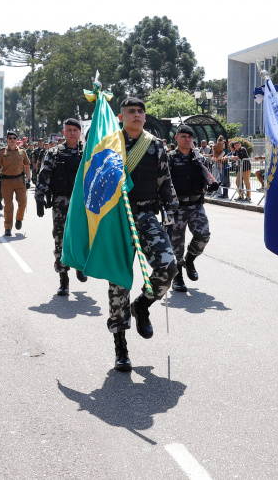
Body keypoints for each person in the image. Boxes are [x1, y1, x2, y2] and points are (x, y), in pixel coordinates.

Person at [107, 96, 178, 372]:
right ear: (122, 116)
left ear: (145, 117)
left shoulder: (156, 146)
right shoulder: (110, 143)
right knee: (118, 283)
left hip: (147, 215)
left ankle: (142, 305)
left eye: (140, 112)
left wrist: (171, 213)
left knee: (168, 266)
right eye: (131, 111)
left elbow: (165, 182)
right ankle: (120, 346)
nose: (136, 115)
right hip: (118, 219)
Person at [35, 118, 86, 296]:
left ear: (80, 132)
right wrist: (39, 196)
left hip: (82, 203)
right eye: (69, 129)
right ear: (63, 132)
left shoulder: (87, 153)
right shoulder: (55, 153)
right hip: (61, 202)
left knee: (82, 237)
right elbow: (45, 173)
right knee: (60, 238)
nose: (72, 132)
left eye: (75, 130)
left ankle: (80, 265)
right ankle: (63, 278)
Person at [167, 124, 217, 293]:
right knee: (176, 245)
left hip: (196, 205)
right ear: (176, 138)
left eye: (189, 137)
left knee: (203, 235)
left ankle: (190, 260)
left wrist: (210, 185)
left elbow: (207, 176)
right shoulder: (170, 158)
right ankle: (178, 276)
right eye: (183, 136)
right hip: (176, 207)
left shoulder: (199, 158)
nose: (187, 139)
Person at [0, 130, 31, 237]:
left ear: (17, 140)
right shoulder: (2, 152)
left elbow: (27, 166)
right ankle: (8, 227)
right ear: (7, 140)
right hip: (6, 181)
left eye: (14, 138)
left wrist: (28, 180)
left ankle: (19, 218)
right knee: (8, 205)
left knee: (23, 202)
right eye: (10, 138)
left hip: (19, 181)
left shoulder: (22, 152)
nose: (12, 140)